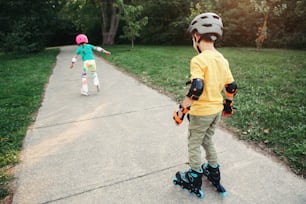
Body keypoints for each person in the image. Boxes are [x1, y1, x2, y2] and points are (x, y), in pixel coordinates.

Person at [172, 13, 237, 198]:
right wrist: (228, 106)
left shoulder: (198, 60)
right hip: (216, 111)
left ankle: (194, 175)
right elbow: (231, 86)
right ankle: (214, 171)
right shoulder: (222, 59)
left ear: (197, 36)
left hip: (201, 113)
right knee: (207, 140)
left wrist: (182, 110)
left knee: (193, 142)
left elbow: (196, 88)